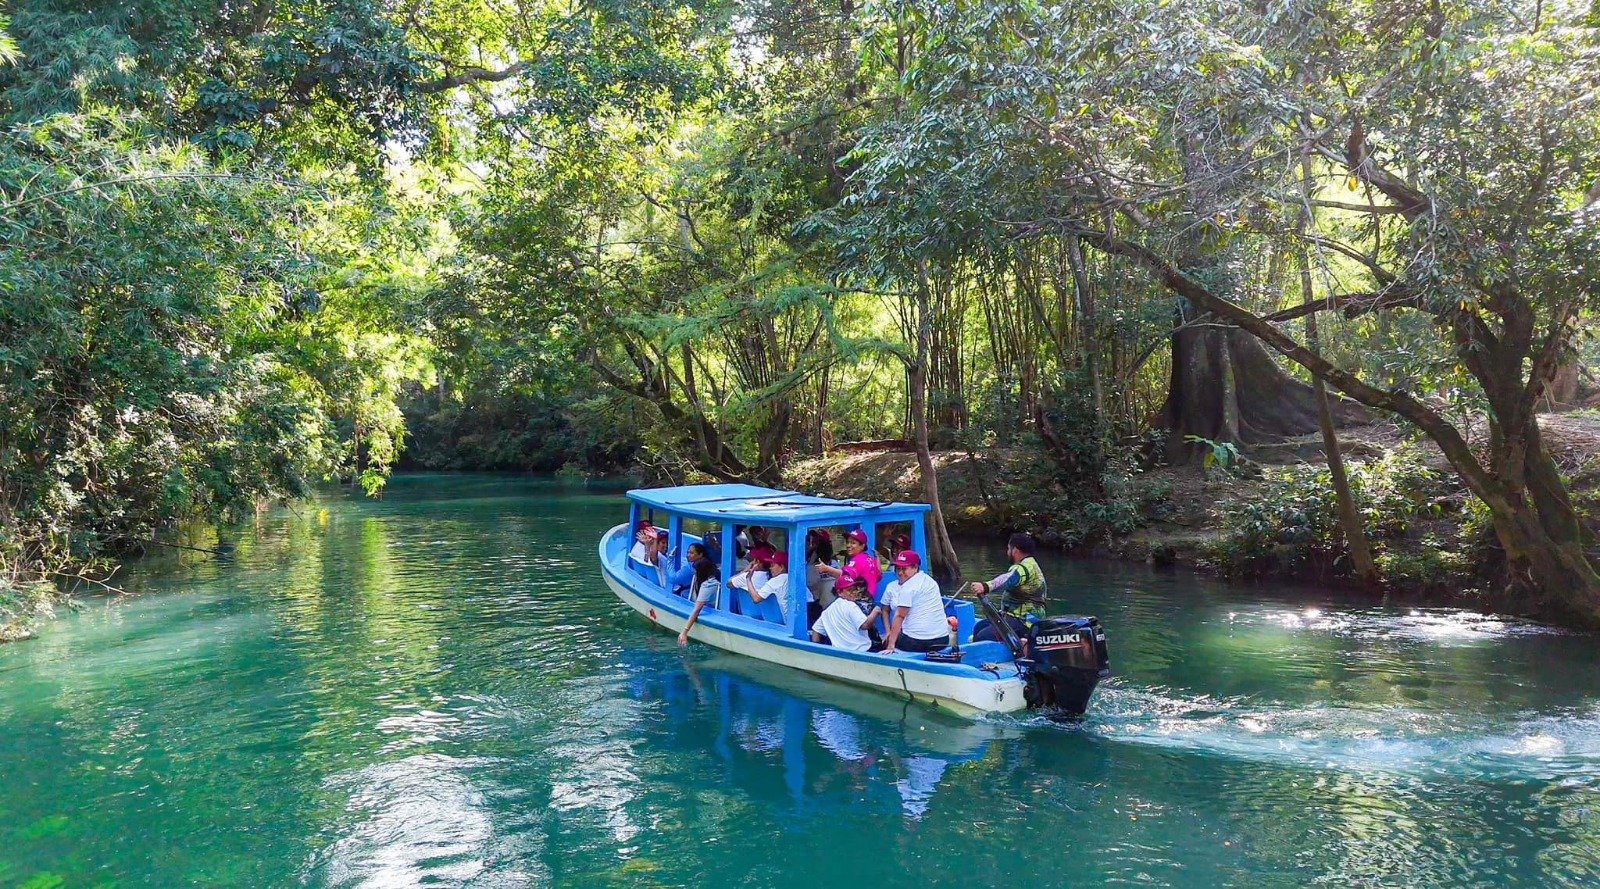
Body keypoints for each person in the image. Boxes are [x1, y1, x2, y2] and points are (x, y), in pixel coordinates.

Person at [966, 532, 1047, 643]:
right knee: (979, 627)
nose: (1007, 552)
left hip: (1024, 620)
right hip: (1014, 617)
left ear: (1015, 551)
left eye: (1008, 549)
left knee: (983, 637)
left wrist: (985, 587)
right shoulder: (1030, 564)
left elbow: (1008, 579)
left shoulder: (1024, 568)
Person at [880, 551, 950, 654]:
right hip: (943, 639)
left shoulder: (908, 587)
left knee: (883, 641)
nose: (900, 573)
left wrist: (890, 645)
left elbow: (899, 616)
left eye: (904, 569)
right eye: (898, 569)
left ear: (915, 567)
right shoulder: (929, 580)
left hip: (917, 642)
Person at [809, 570, 882, 652]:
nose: (853, 593)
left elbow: (815, 632)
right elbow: (865, 625)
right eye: (849, 590)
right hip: (862, 652)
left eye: (854, 589)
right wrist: (875, 611)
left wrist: (818, 650)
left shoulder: (827, 611)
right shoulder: (850, 605)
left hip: (840, 653)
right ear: (839, 592)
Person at [815, 529, 881, 601]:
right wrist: (877, 558)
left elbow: (844, 575)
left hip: (859, 602)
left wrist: (826, 569)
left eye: (853, 543)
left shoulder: (858, 560)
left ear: (862, 546)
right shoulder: (869, 558)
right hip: (869, 602)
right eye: (848, 542)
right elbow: (879, 576)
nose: (848, 545)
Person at [749, 550, 812, 624]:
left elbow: (756, 599)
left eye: (773, 565)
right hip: (803, 622)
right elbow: (810, 600)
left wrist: (748, 579)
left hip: (786, 623)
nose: (770, 568)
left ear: (782, 567)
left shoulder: (776, 580)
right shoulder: (797, 580)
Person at [677, 543, 722, 645]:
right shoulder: (708, 570)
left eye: (691, 553)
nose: (688, 555)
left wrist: (684, 632)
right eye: (688, 552)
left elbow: (697, 609)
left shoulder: (709, 584)